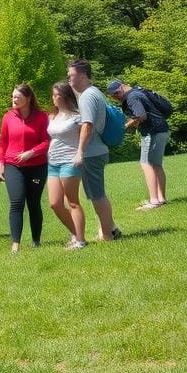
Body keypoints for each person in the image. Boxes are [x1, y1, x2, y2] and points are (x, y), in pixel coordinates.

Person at [67, 60, 121, 241]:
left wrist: (80, 152)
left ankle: (108, 235)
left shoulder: (87, 96)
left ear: (82, 76)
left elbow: (87, 125)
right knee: (96, 193)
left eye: (71, 75)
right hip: (98, 150)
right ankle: (109, 228)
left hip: (92, 152)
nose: (68, 79)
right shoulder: (94, 92)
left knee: (97, 195)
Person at [0, 84, 50, 254]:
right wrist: (2, 164)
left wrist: (32, 153)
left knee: (33, 203)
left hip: (37, 167)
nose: (14, 99)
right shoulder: (8, 117)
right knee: (16, 202)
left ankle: (36, 241)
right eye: (13, 96)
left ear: (28, 98)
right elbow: (3, 143)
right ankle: (15, 244)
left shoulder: (42, 117)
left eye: (18, 97)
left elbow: (47, 141)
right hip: (13, 166)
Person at [107, 80, 169, 210]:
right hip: (161, 129)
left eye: (116, 94)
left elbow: (141, 115)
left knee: (146, 163)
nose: (116, 98)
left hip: (152, 131)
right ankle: (161, 198)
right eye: (113, 96)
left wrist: (124, 126)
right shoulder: (138, 91)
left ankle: (153, 201)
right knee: (156, 165)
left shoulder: (132, 97)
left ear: (121, 88)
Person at [47, 81, 87, 249]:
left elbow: (87, 133)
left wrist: (80, 152)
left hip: (70, 161)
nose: (54, 98)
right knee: (54, 203)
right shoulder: (52, 116)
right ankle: (75, 233)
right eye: (53, 94)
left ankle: (80, 240)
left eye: (57, 95)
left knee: (72, 202)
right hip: (53, 162)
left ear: (65, 96)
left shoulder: (77, 116)